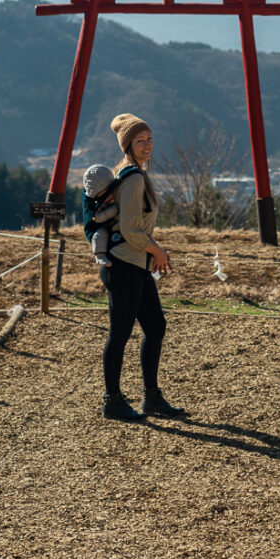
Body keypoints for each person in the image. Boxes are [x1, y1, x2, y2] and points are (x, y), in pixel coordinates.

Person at [100, 112, 185, 422]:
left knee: (155, 326)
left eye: (149, 139)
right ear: (128, 145)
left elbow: (134, 228)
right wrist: (158, 251)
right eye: (140, 141)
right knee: (119, 333)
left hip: (135, 264)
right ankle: (113, 400)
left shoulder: (132, 173)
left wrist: (151, 254)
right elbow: (132, 230)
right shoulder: (134, 178)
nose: (147, 145)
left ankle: (151, 396)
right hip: (124, 265)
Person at [82, 163, 118, 268]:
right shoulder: (96, 204)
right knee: (100, 234)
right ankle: (99, 255)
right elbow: (97, 218)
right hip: (100, 226)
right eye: (100, 195)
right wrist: (114, 210)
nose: (107, 197)